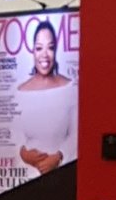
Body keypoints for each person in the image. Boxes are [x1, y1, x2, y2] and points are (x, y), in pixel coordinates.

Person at [14, 20, 74, 176]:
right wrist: (23, 153)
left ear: (56, 50)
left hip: (63, 172)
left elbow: (76, 134)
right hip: (27, 176)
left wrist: (58, 157)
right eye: (39, 48)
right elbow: (13, 134)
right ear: (33, 51)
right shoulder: (20, 91)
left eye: (50, 48)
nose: (44, 55)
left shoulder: (70, 88)